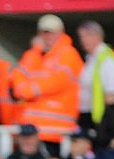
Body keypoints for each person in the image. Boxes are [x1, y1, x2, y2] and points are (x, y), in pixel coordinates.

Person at [9, 14, 83, 144]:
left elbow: (58, 82)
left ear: (61, 32)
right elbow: (17, 76)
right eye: (44, 32)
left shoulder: (68, 54)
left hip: (56, 131)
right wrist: (25, 90)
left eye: (52, 32)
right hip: (30, 129)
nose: (48, 36)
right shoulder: (33, 54)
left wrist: (29, 90)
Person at [76, 20, 114, 137]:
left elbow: (111, 95)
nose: (82, 41)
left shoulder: (106, 60)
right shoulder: (92, 58)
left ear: (97, 36)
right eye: (81, 37)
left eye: (85, 36)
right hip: (87, 115)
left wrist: (105, 124)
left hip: (98, 119)